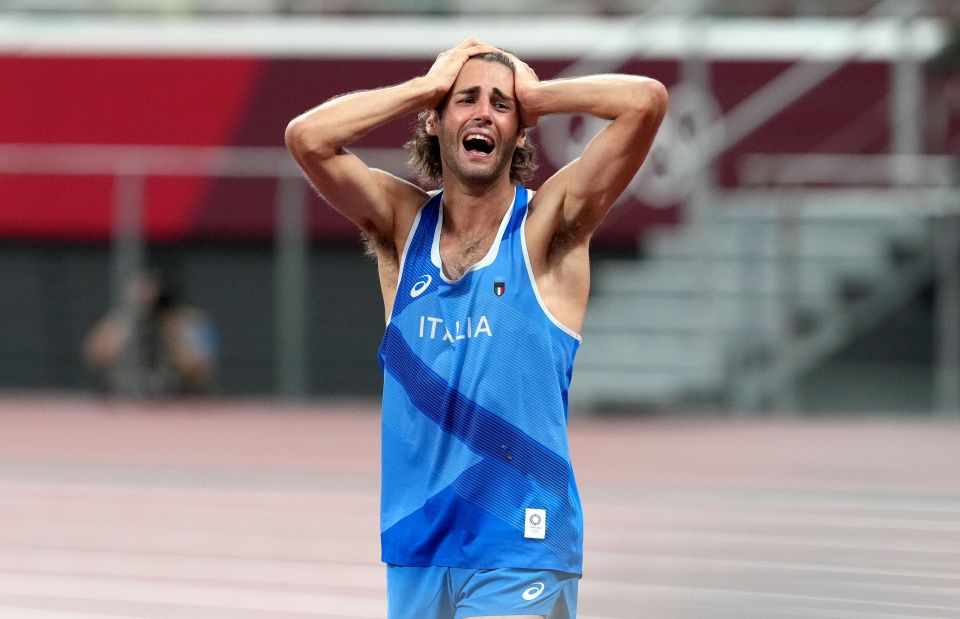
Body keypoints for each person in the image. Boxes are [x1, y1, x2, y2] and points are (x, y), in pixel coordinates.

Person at [285, 39, 667, 619]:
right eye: (466, 100)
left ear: (519, 134)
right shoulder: (402, 227)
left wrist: (536, 95)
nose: (483, 112)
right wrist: (424, 87)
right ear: (436, 122)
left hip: (523, 540)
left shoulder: (546, 227)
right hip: (419, 543)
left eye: (500, 105)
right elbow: (307, 138)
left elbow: (645, 101)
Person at [83, 265, 218, 397]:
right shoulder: (123, 320)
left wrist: (171, 333)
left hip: (180, 400)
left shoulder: (191, 320)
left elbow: (201, 367)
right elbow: (96, 356)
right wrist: (127, 322)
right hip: (129, 399)